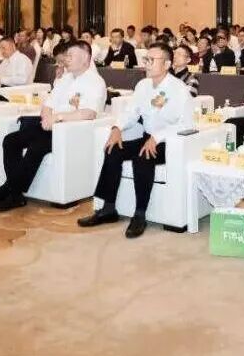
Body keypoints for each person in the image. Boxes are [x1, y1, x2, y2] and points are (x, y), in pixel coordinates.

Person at [78, 43, 194, 238]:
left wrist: (157, 137)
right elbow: (131, 113)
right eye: (146, 59)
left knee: (143, 157)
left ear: (167, 64)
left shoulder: (179, 89)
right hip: (146, 137)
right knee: (113, 149)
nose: (146, 63)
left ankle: (140, 214)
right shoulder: (143, 85)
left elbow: (186, 124)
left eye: (151, 60)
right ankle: (108, 208)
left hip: (170, 143)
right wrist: (117, 128)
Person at [0, 40, 107, 212]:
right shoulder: (65, 79)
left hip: (70, 131)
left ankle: (6, 191)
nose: (66, 59)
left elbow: (88, 113)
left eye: (70, 56)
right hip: (49, 125)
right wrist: (47, 117)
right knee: (11, 140)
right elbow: (48, 104)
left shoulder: (95, 82)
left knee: (36, 147)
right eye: (66, 55)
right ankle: (15, 194)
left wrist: (57, 118)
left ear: (85, 59)